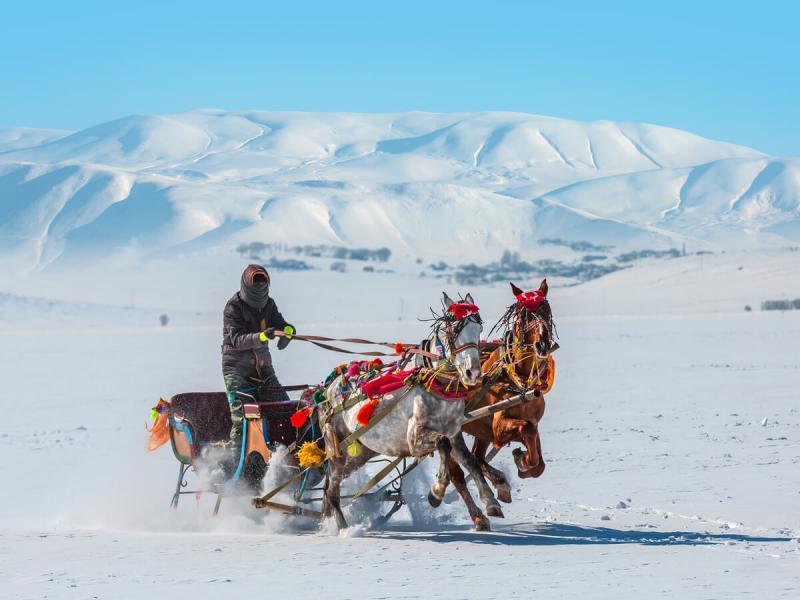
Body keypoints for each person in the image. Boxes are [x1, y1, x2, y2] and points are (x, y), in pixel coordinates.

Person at [221, 264, 295, 451]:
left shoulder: (269, 304)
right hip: (237, 371)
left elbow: (280, 323)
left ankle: (288, 454)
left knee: (286, 410)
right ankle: (231, 464)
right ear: (247, 285)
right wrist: (261, 336)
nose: (260, 285)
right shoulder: (233, 307)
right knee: (242, 422)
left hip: (263, 369)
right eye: (256, 282)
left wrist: (288, 331)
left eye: (263, 282)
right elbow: (237, 340)